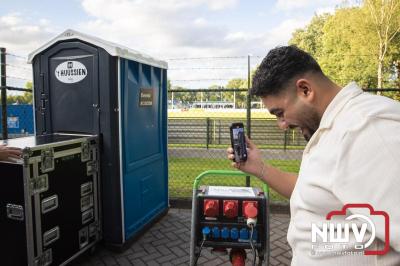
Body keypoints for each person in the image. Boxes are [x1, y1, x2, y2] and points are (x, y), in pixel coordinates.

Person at [227, 45, 400, 265]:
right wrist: (258, 167)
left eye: (280, 113)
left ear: (305, 90)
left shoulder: (369, 130)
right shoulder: (334, 127)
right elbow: (315, 192)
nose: (282, 125)